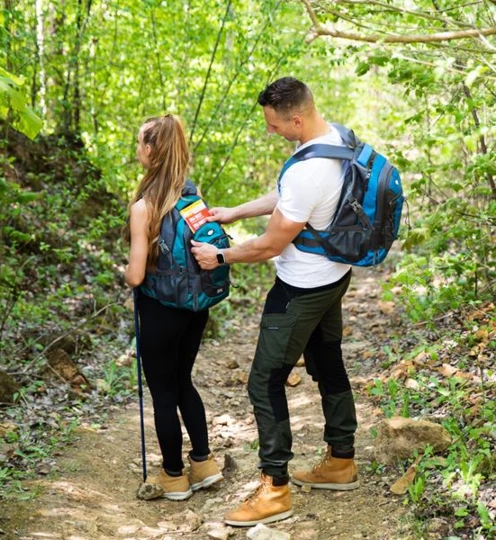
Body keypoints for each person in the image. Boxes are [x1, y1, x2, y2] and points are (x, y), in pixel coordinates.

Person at [191, 77, 359, 526]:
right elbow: (290, 201)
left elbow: (268, 246)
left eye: (273, 124)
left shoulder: (309, 170)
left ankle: (275, 489)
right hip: (335, 277)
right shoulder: (336, 138)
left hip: (301, 289)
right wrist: (234, 212)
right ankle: (342, 460)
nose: (271, 131)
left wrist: (219, 254)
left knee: (264, 381)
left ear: (297, 118)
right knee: (327, 362)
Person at [123, 114, 223, 501]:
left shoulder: (144, 206)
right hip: (196, 308)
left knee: (163, 392)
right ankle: (204, 463)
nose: (137, 150)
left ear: (151, 150)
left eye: (139, 144)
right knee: (184, 382)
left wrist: (128, 271)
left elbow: (135, 275)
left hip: (161, 309)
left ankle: (173, 476)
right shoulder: (193, 199)